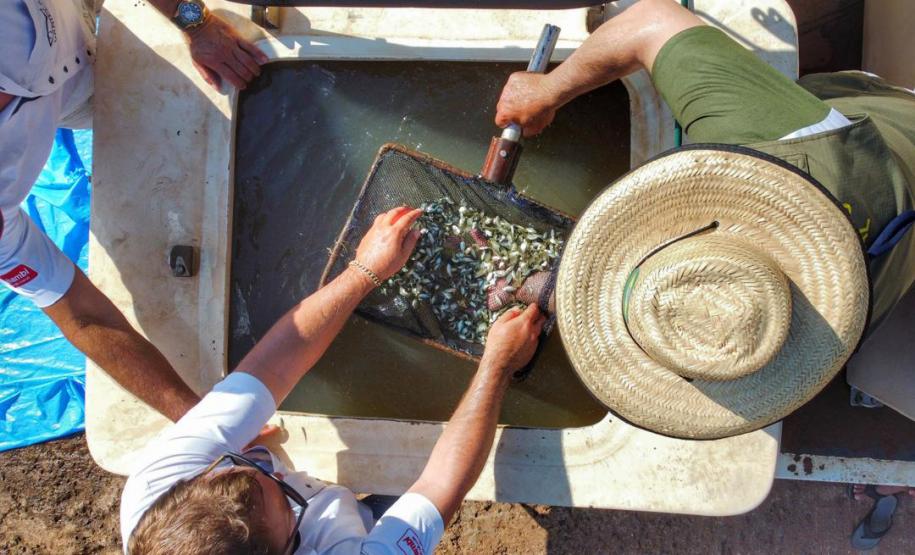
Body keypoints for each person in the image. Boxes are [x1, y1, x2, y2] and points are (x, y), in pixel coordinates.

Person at [495, 0, 914, 549]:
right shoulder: (771, 149)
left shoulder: (773, 138)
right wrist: (545, 91)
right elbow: (651, 21)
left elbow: (647, 17)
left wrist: (549, 89)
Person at [119, 205, 546, 554]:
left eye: (227, 466)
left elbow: (273, 366)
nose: (275, 474)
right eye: (282, 497)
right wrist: (498, 366)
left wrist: (364, 271)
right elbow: (440, 486)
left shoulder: (158, 487)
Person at [0, 0, 269, 421]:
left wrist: (195, 23)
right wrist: (198, 424)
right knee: (139, 106)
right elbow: (84, 317)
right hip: (73, 88)